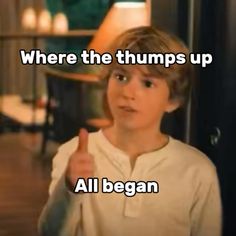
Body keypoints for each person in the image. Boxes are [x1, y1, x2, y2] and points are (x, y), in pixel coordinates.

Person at [38, 26, 222, 236]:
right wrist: (69, 187)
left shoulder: (197, 171)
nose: (128, 92)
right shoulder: (73, 154)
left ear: (172, 100)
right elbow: (49, 233)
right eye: (121, 77)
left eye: (147, 83)